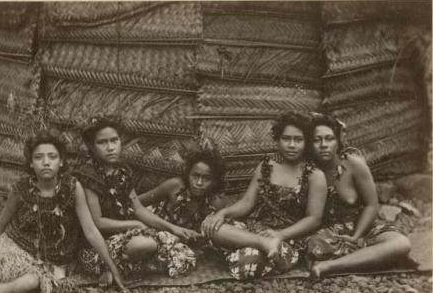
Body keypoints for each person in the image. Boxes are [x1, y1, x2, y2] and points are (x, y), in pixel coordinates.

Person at [0, 131, 126, 293]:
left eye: (52, 157)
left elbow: (91, 231)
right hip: (16, 251)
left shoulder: (72, 188)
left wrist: (113, 269)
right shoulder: (21, 188)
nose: (46, 162)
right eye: (39, 157)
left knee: (29, 283)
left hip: (54, 262)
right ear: (31, 164)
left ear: (61, 162)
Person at [202, 113, 327, 279]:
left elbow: (314, 219)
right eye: (286, 139)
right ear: (277, 140)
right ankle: (260, 244)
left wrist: (280, 235)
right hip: (254, 230)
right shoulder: (267, 165)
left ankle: (242, 247)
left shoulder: (314, 175)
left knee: (247, 263)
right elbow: (247, 202)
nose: (291, 145)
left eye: (298, 140)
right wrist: (222, 213)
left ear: (306, 142)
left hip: (287, 237)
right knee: (209, 225)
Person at [74, 118, 197, 279]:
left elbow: (138, 209)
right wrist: (135, 224)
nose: (110, 147)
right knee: (146, 243)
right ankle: (118, 267)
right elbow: (98, 222)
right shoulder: (88, 175)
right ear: (91, 146)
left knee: (175, 242)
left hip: (126, 234)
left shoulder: (122, 170)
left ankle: (133, 264)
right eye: (102, 143)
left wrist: (172, 228)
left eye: (114, 140)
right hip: (98, 246)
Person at [306, 114, 411, 277]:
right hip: (329, 233)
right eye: (316, 140)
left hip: (363, 226)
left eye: (329, 139)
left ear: (338, 141)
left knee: (401, 244)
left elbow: (371, 205)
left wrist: (357, 236)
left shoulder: (353, 164)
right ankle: (362, 257)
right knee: (315, 246)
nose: (324, 145)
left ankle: (330, 266)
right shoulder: (307, 169)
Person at [138, 138, 227, 237]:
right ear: (188, 174)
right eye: (195, 176)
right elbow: (135, 204)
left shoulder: (215, 203)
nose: (199, 182)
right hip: (153, 230)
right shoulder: (174, 186)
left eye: (207, 178)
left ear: (215, 181)